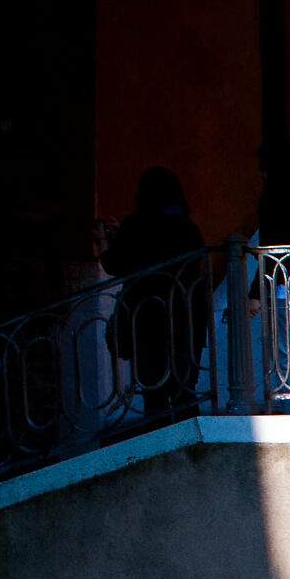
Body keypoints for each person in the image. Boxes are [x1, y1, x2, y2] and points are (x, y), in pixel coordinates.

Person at [95, 167, 210, 421]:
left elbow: (117, 264)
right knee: (184, 392)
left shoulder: (137, 225)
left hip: (147, 320)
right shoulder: (188, 227)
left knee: (153, 394)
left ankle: (162, 449)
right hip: (186, 319)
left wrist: (104, 241)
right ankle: (191, 450)